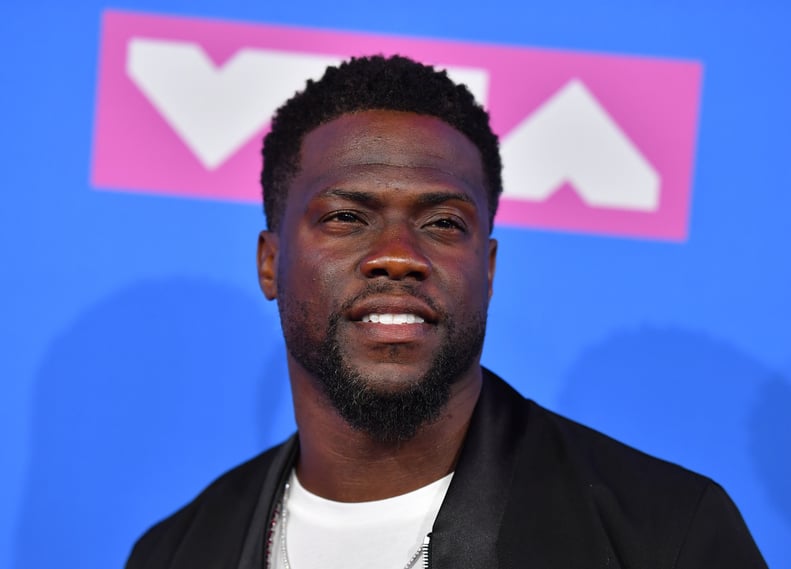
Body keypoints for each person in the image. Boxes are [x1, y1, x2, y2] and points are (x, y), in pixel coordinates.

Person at [125, 55, 767, 569]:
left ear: (487, 269)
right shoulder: (176, 552)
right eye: (347, 218)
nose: (398, 257)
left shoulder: (663, 534)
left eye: (442, 222)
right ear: (270, 263)